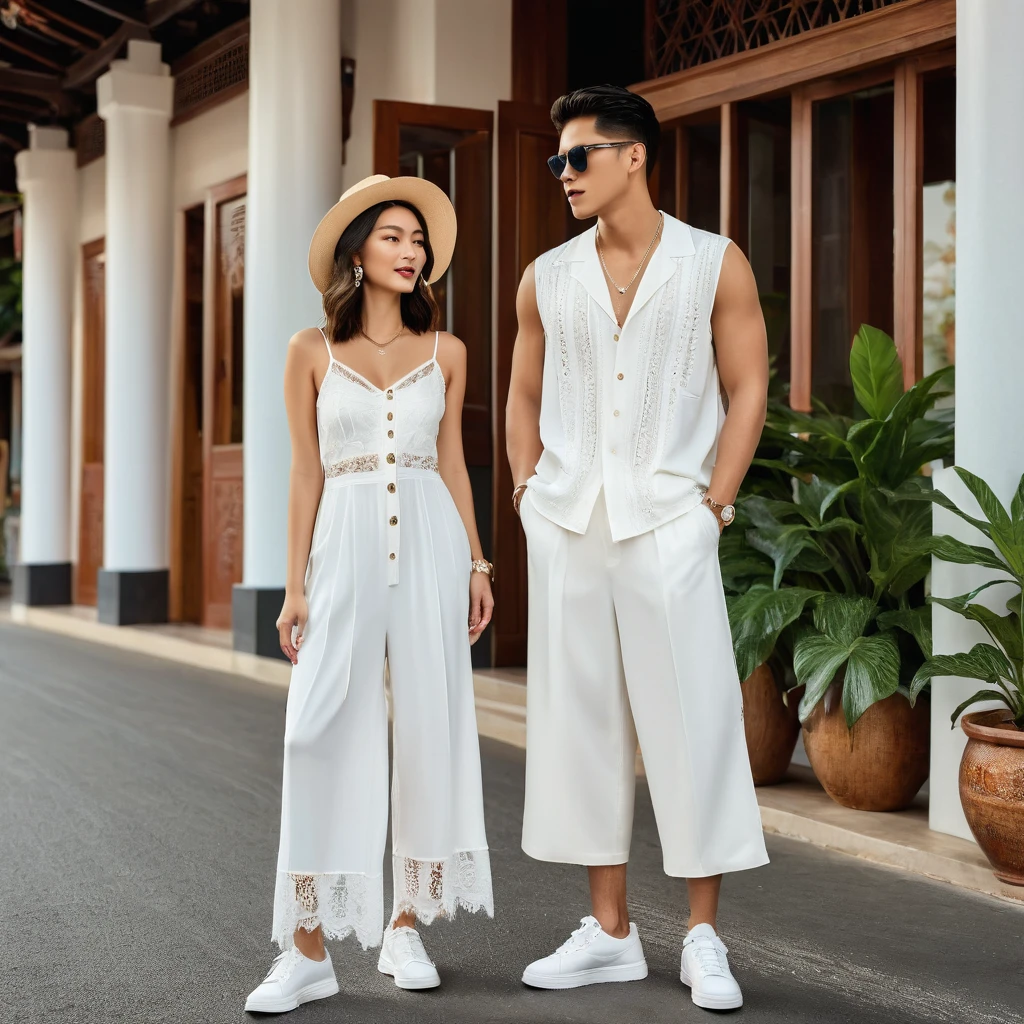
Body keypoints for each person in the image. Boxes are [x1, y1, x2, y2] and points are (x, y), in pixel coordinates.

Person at [505, 85, 769, 1012]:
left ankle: (702, 937)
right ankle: (610, 933)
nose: (564, 175)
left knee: (694, 725)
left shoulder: (714, 263)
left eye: (579, 157)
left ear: (633, 158)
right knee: (581, 730)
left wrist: (715, 508)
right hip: (572, 525)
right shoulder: (546, 273)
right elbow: (523, 393)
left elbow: (748, 389)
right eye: (557, 161)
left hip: (671, 525)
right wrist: (528, 492)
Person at [246, 175, 495, 1014]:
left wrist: (479, 563)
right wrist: (293, 588)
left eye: (417, 240)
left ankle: (405, 923)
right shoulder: (308, 351)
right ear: (358, 251)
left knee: (429, 727)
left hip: (430, 539)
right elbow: (304, 473)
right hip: (342, 551)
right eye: (393, 236)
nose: (410, 251)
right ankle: (308, 948)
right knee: (316, 731)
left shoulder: (448, 352)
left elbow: (454, 460)